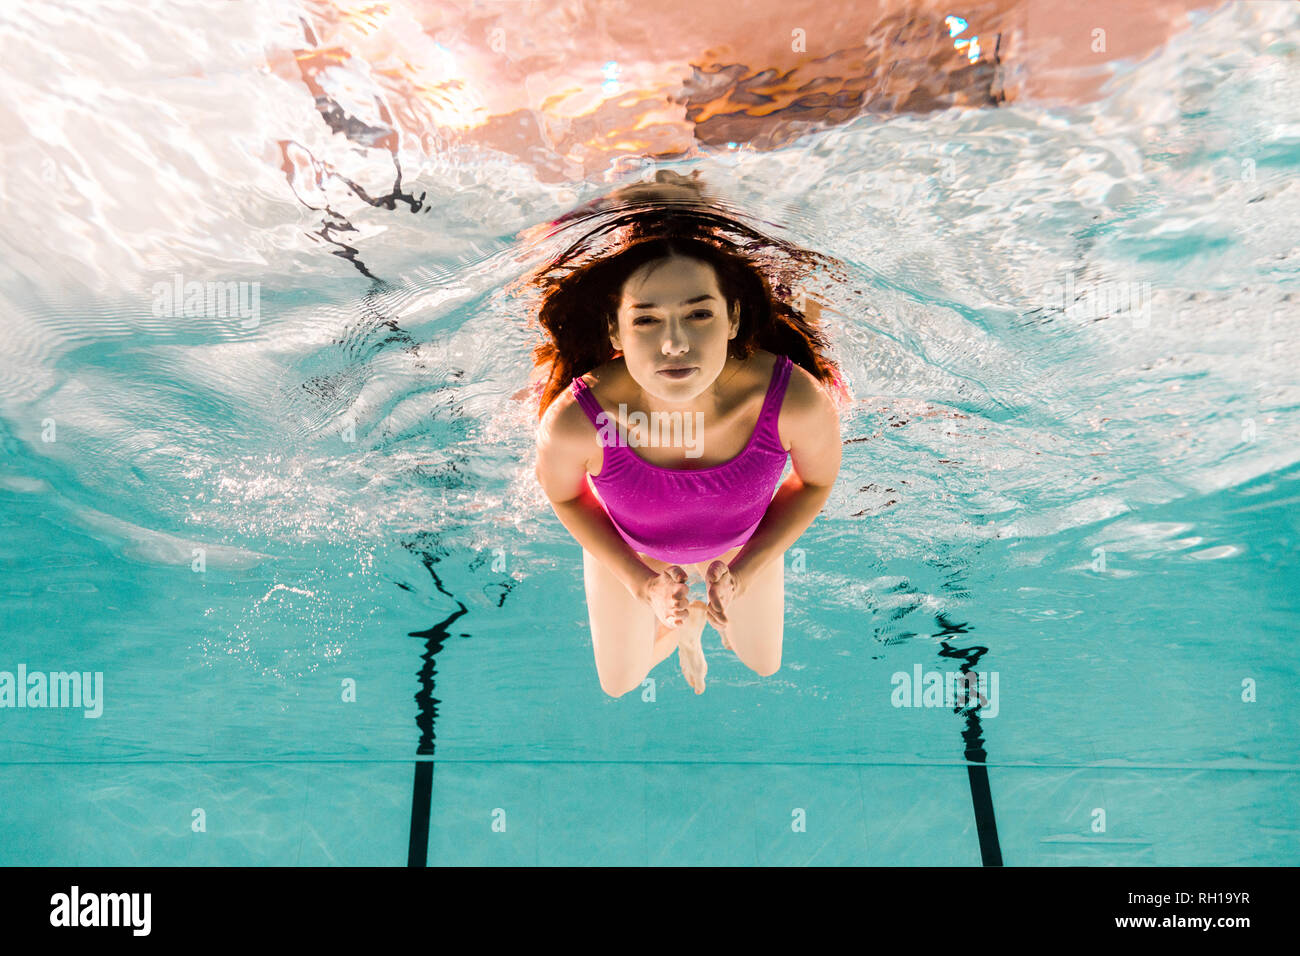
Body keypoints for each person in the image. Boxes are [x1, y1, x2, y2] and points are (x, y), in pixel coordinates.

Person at [529, 180, 846, 697]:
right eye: (647, 320)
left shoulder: (794, 400)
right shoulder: (577, 419)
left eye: (699, 314)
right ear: (615, 331)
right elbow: (565, 495)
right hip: (633, 549)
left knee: (763, 663)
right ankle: (682, 629)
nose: (674, 343)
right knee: (620, 683)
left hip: (742, 544)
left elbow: (814, 484)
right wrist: (641, 583)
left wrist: (746, 569)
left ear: (732, 318)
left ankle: (697, 616)